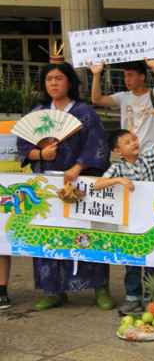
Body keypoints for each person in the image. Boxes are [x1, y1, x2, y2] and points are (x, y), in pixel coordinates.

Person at [17, 62, 113, 311]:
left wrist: (78, 166)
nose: (53, 83)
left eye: (59, 78)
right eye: (49, 79)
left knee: (88, 234)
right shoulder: (38, 112)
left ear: (69, 81)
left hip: (78, 182)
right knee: (47, 234)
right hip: (47, 185)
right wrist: (41, 154)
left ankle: (100, 287)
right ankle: (53, 290)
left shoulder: (85, 112)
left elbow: (98, 145)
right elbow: (23, 148)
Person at [94, 107, 154, 314]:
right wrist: (118, 180)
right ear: (118, 151)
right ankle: (133, 297)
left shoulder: (147, 158)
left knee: (152, 259)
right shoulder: (117, 168)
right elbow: (97, 184)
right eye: (127, 142)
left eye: (134, 139)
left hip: (151, 221)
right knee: (131, 261)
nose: (134, 143)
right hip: (129, 224)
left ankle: (152, 297)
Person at [89, 58, 154, 180]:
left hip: (152, 157)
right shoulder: (123, 97)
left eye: (130, 75)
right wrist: (96, 74)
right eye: (125, 76)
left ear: (142, 77)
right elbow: (96, 99)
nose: (126, 80)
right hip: (129, 158)